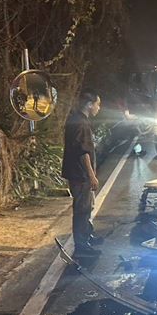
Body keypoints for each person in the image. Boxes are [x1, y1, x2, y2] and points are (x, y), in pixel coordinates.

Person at [62, 91, 102, 257]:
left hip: (76, 172)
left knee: (87, 207)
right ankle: (81, 247)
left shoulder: (76, 119)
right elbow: (83, 152)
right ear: (89, 104)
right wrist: (91, 175)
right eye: (98, 104)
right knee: (82, 210)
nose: (99, 108)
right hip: (80, 174)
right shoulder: (81, 124)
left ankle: (87, 236)